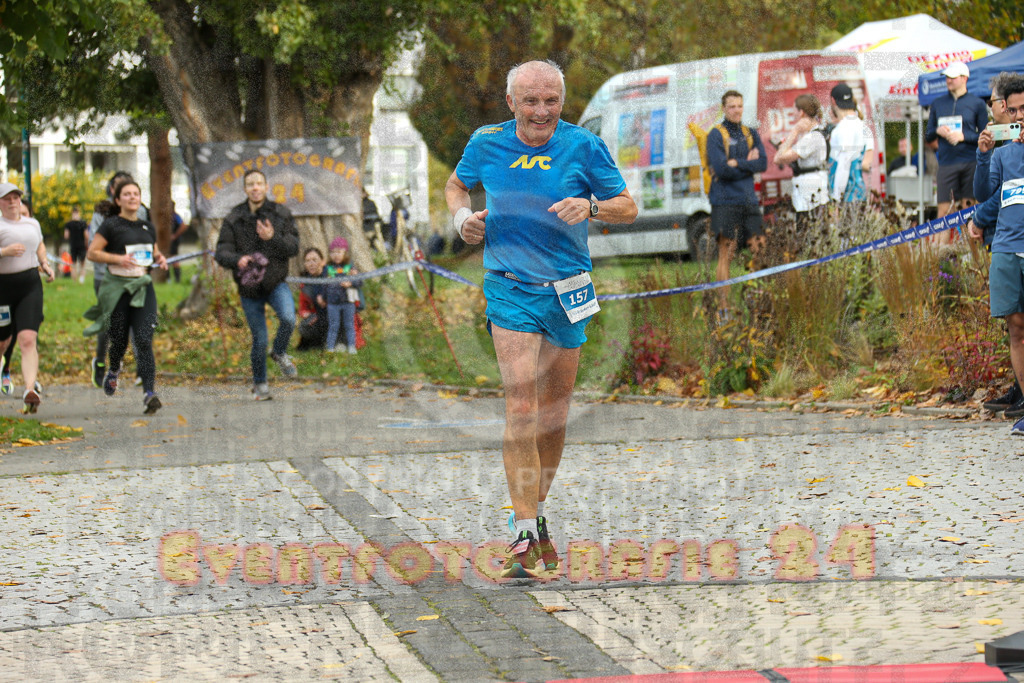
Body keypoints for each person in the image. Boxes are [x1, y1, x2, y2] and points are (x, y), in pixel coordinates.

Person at [445, 59, 637, 578]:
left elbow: (628, 205)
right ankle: (524, 529)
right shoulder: (486, 143)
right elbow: (455, 187)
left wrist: (591, 207)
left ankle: (536, 512)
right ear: (511, 103)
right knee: (522, 403)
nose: (541, 111)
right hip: (509, 287)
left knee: (554, 412)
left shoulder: (582, 145)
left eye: (550, 100)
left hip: (568, 290)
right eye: (530, 101)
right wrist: (464, 220)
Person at [967, 73, 1024, 417]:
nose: (1018, 117)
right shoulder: (1003, 154)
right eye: (1014, 111)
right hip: (1005, 245)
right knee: (1015, 325)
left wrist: (978, 218)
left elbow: (986, 207)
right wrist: (984, 155)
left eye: (1022, 109)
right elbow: (988, 195)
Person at [215, 169, 299, 400]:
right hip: (249, 287)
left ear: (265, 187)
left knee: (289, 318)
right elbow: (221, 251)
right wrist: (236, 259)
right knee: (260, 340)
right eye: (250, 184)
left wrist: (273, 238)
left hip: (274, 282)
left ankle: (280, 352)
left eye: (259, 183)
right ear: (244, 189)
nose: (255, 188)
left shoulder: (280, 214)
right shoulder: (234, 217)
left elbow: (293, 247)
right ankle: (260, 384)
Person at [84, 179, 168, 414]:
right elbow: (93, 253)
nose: (132, 197)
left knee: (143, 339)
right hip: (118, 287)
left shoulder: (146, 227)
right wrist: (118, 259)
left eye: (136, 193)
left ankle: (149, 393)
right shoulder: (110, 226)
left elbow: (154, 252)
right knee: (119, 340)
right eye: (127, 194)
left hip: (142, 286)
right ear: (118, 200)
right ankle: (113, 369)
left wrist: (159, 259)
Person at [706, 89, 768, 316]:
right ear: (724, 108)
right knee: (726, 254)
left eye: (740, 106)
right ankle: (724, 309)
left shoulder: (750, 133)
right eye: (732, 106)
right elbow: (721, 169)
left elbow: (762, 163)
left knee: (759, 249)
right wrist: (744, 164)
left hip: (749, 200)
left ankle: (759, 302)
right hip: (724, 201)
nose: (736, 110)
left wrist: (737, 163)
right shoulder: (716, 134)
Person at [88, 171, 147, 389]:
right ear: (113, 193)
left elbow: (146, 242)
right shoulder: (101, 214)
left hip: (134, 276)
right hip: (106, 277)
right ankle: (101, 362)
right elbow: (93, 249)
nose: (129, 196)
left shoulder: (140, 211)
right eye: (121, 189)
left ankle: (142, 369)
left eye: (132, 190)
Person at [0, 182, 55, 413]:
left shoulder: (32, 223)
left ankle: (30, 389)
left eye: (16, 197)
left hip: (30, 284)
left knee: (27, 338)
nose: (13, 202)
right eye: (7, 198)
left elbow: (39, 244)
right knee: (2, 341)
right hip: (2, 287)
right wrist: (5, 252)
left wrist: (44, 263)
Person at [925, 62, 988, 245]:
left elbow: (985, 134)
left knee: (969, 208)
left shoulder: (977, 103)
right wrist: (939, 130)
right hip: (946, 163)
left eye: (952, 77)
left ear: (964, 78)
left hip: (970, 162)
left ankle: (972, 255)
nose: (948, 80)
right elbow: (928, 133)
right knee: (943, 210)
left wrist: (963, 136)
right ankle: (938, 260)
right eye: (947, 77)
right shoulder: (937, 103)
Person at [773, 94, 829, 219]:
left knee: (807, 232)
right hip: (811, 194)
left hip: (810, 197)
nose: (794, 116)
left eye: (795, 112)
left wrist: (794, 131)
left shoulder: (811, 138)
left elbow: (778, 158)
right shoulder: (816, 133)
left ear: (802, 112)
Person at [828, 82, 874, 204]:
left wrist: (836, 198)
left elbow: (844, 164)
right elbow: (866, 165)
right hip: (859, 194)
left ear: (833, 101)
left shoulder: (842, 128)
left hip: (847, 197)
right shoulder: (864, 127)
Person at [325, 236, 360, 354]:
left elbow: (360, 282)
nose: (336, 255)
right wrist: (323, 296)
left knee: (349, 325)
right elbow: (323, 284)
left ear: (345, 253)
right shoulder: (327, 268)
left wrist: (351, 282)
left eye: (339, 252)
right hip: (332, 303)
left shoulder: (350, 267)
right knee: (333, 325)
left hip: (348, 302)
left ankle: (351, 346)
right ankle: (330, 347)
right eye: (333, 252)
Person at [296, 247, 330, 351]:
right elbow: (302, 307)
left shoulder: (331, 275)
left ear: (322, 261)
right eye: (307, 261)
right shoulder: (305, 283)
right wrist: (305, 313)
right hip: (316, 317)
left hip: (334, 314)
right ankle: (317, 343)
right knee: (304, 327)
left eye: (314, 260)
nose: (311, 264)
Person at [63, 206, 89, 283]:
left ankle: (74, 280)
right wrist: (87, 243)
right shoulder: (83, 223)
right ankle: (81, 279)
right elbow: (87, 235)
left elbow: (66, 236)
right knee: (82, 263)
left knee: (73, 264)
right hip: (81, 245)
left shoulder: (68, 224)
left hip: (73, 245)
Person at [168, 202, 187, 283]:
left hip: (173, 241)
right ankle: (168, 278)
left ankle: (177, 279)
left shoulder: (175, 216)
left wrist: (175, 236)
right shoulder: (166, 217)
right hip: (167, 242)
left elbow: (184, 225)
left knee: (174, 258)